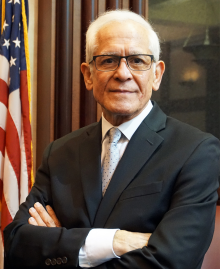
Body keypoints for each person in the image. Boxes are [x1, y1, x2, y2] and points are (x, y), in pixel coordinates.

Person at [4, 10, 220, 269]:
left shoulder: (195, 151)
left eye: (137, 61)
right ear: (88, 74)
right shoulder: (60, 153)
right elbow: (16, 244)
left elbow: (172, 261)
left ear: (157, 74)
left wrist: (64, 246)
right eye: (108, 60)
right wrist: (113, 241)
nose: (123, 73)